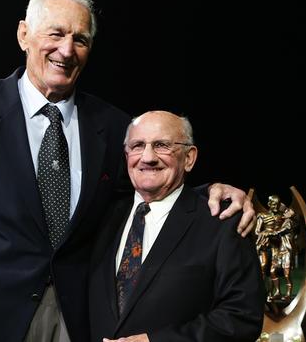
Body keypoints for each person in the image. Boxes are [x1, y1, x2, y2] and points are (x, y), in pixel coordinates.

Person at [0, 0, 255, 342]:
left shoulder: (112, 127)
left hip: (75, 322)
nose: (67, 50)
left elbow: (148, 188)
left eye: (80, 39)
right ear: (24, 35)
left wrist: (208, 192)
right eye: (56, 34)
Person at [88, 111, 264, 342]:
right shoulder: (101, 216)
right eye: (138, 145)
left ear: (189, 158)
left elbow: (242, 318)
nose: (148, 157)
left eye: (162, 145)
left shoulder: (223, 223)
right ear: (126, 154)